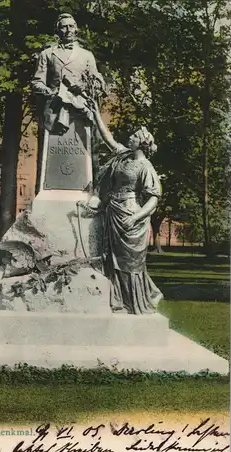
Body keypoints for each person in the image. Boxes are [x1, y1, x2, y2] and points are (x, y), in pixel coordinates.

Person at [97, 126, 163, 314]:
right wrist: (94, 112)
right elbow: (108, 138)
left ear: (142, 143)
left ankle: (134, 303)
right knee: (112, 259)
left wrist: (135, 217)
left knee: (129, 262)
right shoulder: (125, 156)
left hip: (130, 216)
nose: (130, 137)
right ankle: (117, 301)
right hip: (114, 211)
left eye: (134, 136)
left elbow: (153, 198)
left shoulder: (145, 167)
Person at [31, 12, 105, 135]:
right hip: (54, 107)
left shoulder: (86, 55)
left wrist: (84, 86)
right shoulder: (47, 54)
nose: (68, 30)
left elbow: (98, 83)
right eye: (64, 27)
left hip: (81, 108)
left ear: (76, 29)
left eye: (71, 26)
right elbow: (37, 82)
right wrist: (49, 92)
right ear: (58, 30)